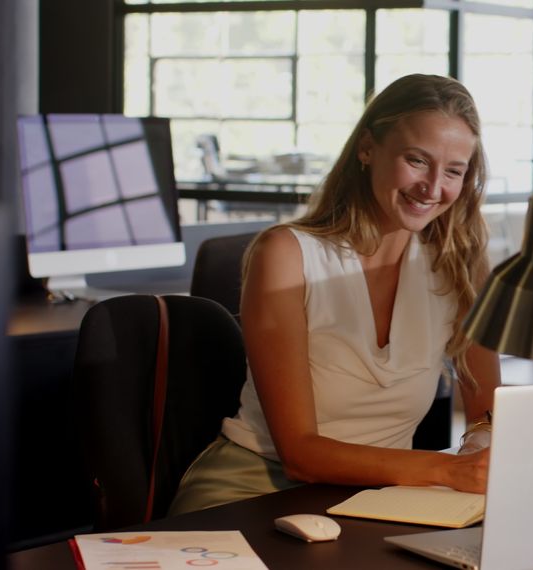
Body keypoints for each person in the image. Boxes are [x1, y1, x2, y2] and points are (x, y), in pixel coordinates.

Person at [169, 74, 501, 514]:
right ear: (367, 148)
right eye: (417, 160)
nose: (433, 187)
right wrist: (449, 471)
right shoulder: (285, 254)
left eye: (454, 171)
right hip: (255, 489)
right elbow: (300, 455)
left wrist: (480, 447)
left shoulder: (461, 268)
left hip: (381, 498)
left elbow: (487, 412)